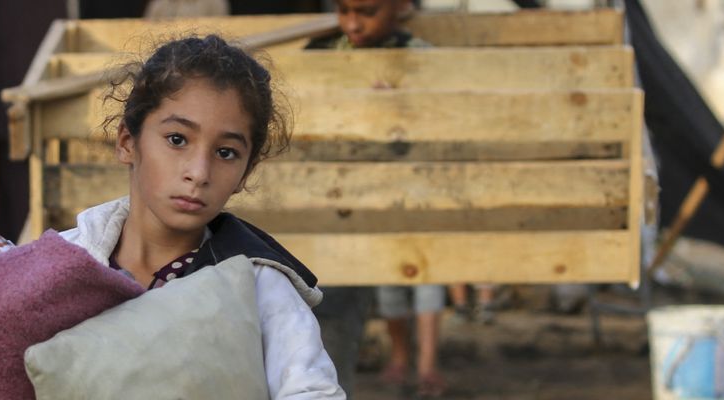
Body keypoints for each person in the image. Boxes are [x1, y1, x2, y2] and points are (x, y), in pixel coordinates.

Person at [57, 34, 345, 398]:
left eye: (225, 152)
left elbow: (311, 391)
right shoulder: (63, 265)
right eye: (177, 140)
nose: (199, 172)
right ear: (128, 142)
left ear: (246, 171)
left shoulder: (259, 286)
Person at [307, 0, 444, 397]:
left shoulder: (420, 58)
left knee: (417, 284)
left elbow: (440, 130)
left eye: (366, 11)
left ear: (401, 6)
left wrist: (399, 114)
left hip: (401, 207)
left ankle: (420, 365)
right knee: (330, 318)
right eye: (344, 9)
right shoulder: (322, 54)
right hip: (334, 210)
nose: (353, 22)